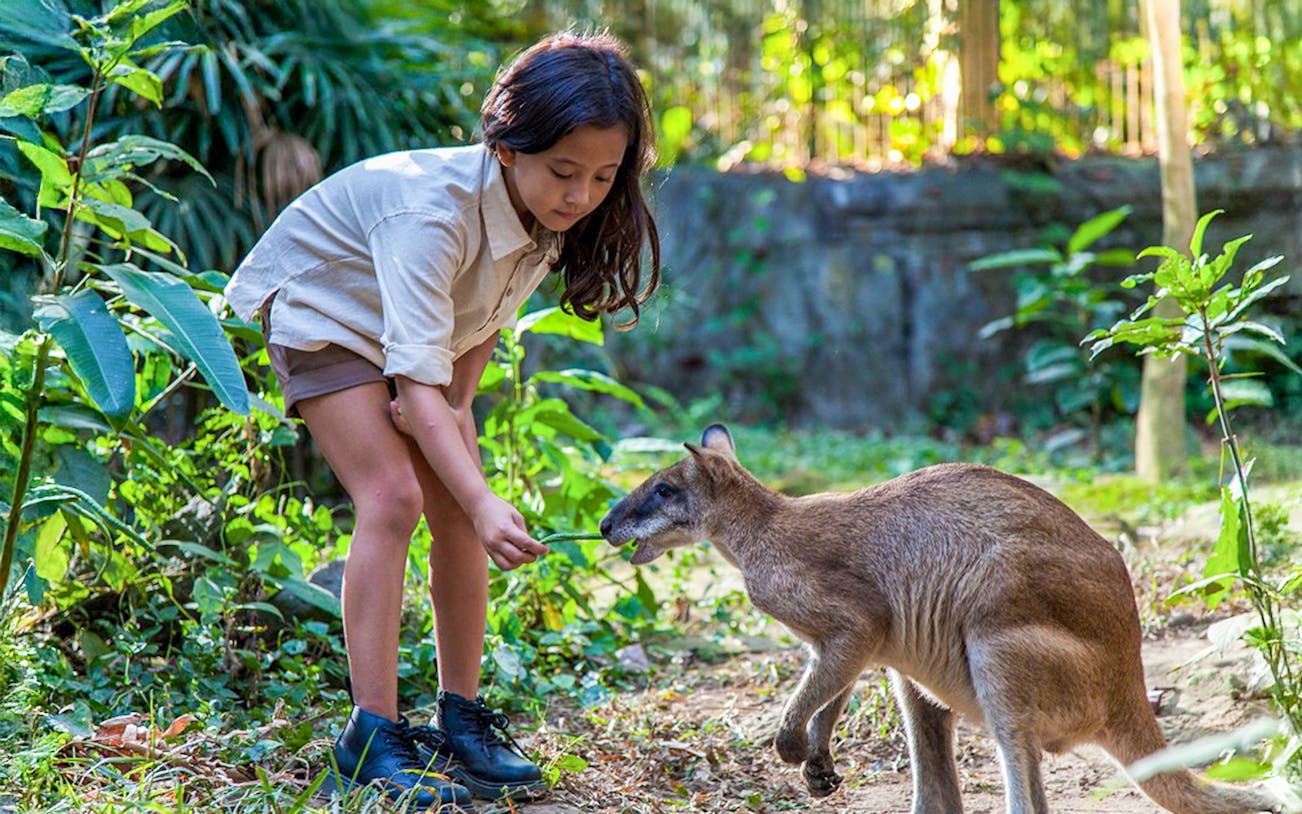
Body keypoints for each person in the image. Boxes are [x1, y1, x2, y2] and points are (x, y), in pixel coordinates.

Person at [224, 31, 661, 810]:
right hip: (326, 312)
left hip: (413, 344)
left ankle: (461, 718)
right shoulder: (432, 215)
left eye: (602, 176)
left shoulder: (545, 224)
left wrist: (475, 486)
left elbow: (461, 363)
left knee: (461, 511)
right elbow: (417, 392)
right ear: (505, 145)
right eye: (563, 171)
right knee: (393, 499)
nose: (580, 195)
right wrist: (470, 474)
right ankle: (370, 735)